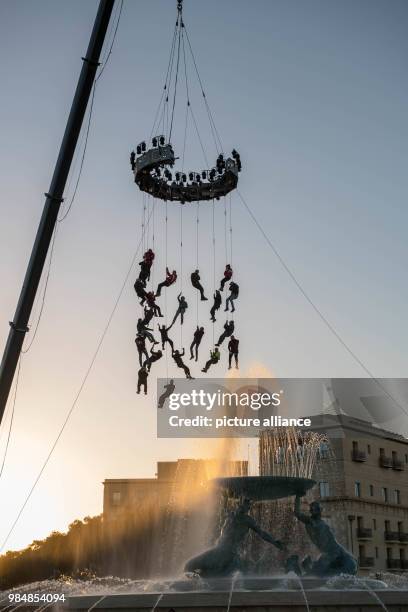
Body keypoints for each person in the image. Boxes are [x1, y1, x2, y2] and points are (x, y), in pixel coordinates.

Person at [184, 498, 283, 577]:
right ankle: (204, 581)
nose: (249, 507)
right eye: (247, 504)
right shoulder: (230, 515)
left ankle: (210, 579)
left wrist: (274, 542)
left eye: (249, 505)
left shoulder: (248, 520)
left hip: (228, 553)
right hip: (218, 550)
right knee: (188, 566)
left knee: (194, 567)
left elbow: (262, 533)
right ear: (239, 503)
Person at [293, 495, 357, 577]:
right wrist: (298, 495)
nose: (314, 511)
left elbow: (297, 513)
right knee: (319, 575)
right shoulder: (313, 522)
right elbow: (297, 513)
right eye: (313, 509)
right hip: (339, 559)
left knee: (319, 575)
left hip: (346, 562)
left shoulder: (320, 525)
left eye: (316, 509)